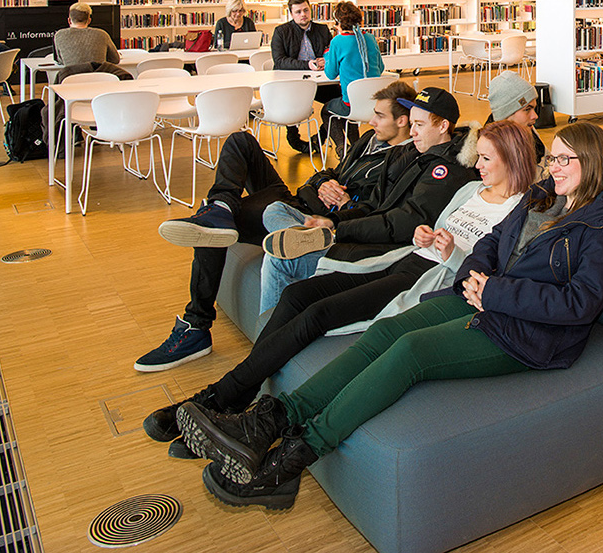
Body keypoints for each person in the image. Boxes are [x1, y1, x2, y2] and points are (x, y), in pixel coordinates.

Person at [176, 122, 603, 509]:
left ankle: (292, 462)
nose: (553, 167)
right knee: (387, 331)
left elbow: (579, 303)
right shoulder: (544, 194)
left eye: (564, 159)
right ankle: (270, 422)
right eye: (552, 158)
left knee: (410, 351)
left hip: (527, 334)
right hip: (482, 298)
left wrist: (496, 292)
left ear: (592, 162)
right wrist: (477, 276)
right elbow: (490, 240)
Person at [140, 119, 540, 458]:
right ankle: (236, 396)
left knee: (319, 313)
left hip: (428, 279)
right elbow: (436, 227)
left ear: (512, 158)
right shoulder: (469, 191)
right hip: (406, 258)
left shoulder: (522, 209)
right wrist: (425, 235)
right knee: (297, 295)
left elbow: (489, 272)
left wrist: (452, 254)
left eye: (486, 159)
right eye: (478, 156)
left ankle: (221, 398)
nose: (476, 165)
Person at [134, 80, 417, 373]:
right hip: (299, 202)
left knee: (215, 228)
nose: (371, 121)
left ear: (402, 121)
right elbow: (328, 171)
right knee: (239, 143)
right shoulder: (368, 140)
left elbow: (376, 211)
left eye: (379, 115)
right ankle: (223, 209)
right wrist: (324, 182)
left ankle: (196, 325)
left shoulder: (405, 160)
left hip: (319, 219)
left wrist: (344, 203)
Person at [256, 87, 480, 308]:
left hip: (383, 249)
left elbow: (402, 222)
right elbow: (373, 204)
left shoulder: (446, 171)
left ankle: (304, 244)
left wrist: (340, 230)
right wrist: (333, 221)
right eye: (412, 124)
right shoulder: (411, 154)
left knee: (278, 261)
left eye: (419, 125)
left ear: (442, 126)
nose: (412, 132)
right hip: (364, 231)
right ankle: (304, 240)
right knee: (275, 210)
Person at [269, 0, 337, 153]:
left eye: (306, 10)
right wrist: (307, 65)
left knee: (340, 101)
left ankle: (320, 137)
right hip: (292, 84)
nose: (303, 14)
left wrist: (326, 60)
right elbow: (279, 61)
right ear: (291, 14)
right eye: (298, 12)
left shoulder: (322, 29)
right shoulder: (281, 32)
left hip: (320, 81)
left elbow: (331, 52)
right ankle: (295, 140)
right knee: (292, 106)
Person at [319, 0, 384, 151]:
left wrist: (328, 57)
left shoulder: (337, 42)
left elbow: (330, 74)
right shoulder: (370, 38)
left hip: (352, 104)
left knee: (327, 110)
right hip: (374, 103)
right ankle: (356, 148)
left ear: (338, 23)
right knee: (345, 110)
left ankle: (342, 148)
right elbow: (380, 67)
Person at [486, 70, 545, 158]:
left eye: (534, 108)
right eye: (527, 109)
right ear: (506, 115)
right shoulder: (490, 153)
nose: (535, 116)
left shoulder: (532, 136)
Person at [52, 1, 120, 67]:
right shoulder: (102, 34)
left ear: (69, 20)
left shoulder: (59, 35)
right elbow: (115, 59)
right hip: (98, 74)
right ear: (89, 20)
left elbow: (60, 61)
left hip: (72, 74)